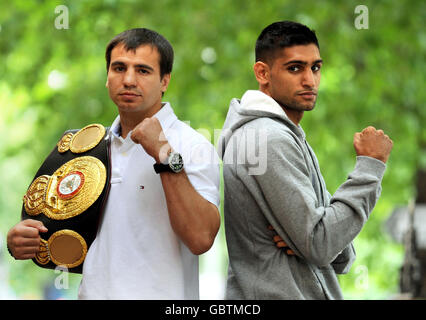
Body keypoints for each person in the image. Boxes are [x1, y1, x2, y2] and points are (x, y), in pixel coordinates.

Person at [7, 28, 221, 299]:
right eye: (119, 68)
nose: (129, 80)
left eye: (143, 71)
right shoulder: (87, 148)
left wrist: (164, 154)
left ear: (165, 80)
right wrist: (20, 240)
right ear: (107, 77)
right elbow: (57, 238)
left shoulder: (193, 146)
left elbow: (201, 238)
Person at [218, 21, 393, 299]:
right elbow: (322, 244)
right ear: (262, 72)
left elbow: (342, 256)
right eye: (295, 68)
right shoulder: (268, 137)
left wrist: (312, 239)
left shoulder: (286, 134)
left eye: (316, 68)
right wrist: (371, 166)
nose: (310, 80)